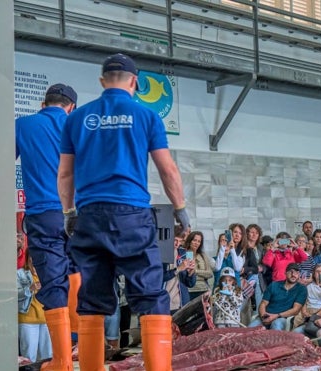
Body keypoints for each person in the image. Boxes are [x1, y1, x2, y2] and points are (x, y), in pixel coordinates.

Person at [59, 53, 190, 370]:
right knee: (150, 295)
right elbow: (167, 169)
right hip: (132, 215)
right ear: (134, 82)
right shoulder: (146, 116)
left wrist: (68, 212)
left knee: (92, 299)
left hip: (89, 216)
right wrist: (181, 210)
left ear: (103, 81)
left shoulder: (77, 118)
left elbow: (65, 174)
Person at [16, 83, 78, 370]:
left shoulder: (24, 125)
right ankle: (85, 354)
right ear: (71, 106)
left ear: (43, 103)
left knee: (54, 283)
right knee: (80, 275)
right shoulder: (79, 125)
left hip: (44, 214)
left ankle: (62, 361)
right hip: (81, 216)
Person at [18, 248, 53, 362]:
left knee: (47, 357)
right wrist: (30, 289)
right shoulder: (19, 274)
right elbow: (15, 295)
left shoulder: (48, 275)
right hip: (27, 321)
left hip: (47, 321)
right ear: (27, 258)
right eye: (31, 258)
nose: (34, 261)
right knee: (29, 357)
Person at [251, 263, 307, 330]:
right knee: (249, 329)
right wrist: (263, 315)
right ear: (285, 273)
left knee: (276, 324)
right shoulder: (274, 285)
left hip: (282, 318)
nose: (293, 275)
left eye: (296, 273)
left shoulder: (301, 289)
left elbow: (295, 310)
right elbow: (263, 303)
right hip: (267, 315)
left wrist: (276, 316)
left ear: (299, 275)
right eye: (291, 272)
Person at [292, 264, 321, 329]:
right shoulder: (309, 286)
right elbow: (304, 300)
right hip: (308, 309)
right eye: (317, 271)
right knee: (298, 321)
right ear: (314, 274)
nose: (320, 273)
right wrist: (304, 311)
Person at [185, 231, 214, 300]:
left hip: (203, 289)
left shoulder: (203, 255)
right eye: (194, 240)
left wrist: (196, 271)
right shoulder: (185, 254)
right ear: (190, 241)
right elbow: (187, 274)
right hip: (189, 290)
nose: (196, 243)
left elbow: (210, 274)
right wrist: (202, 274)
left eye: (199, 241)